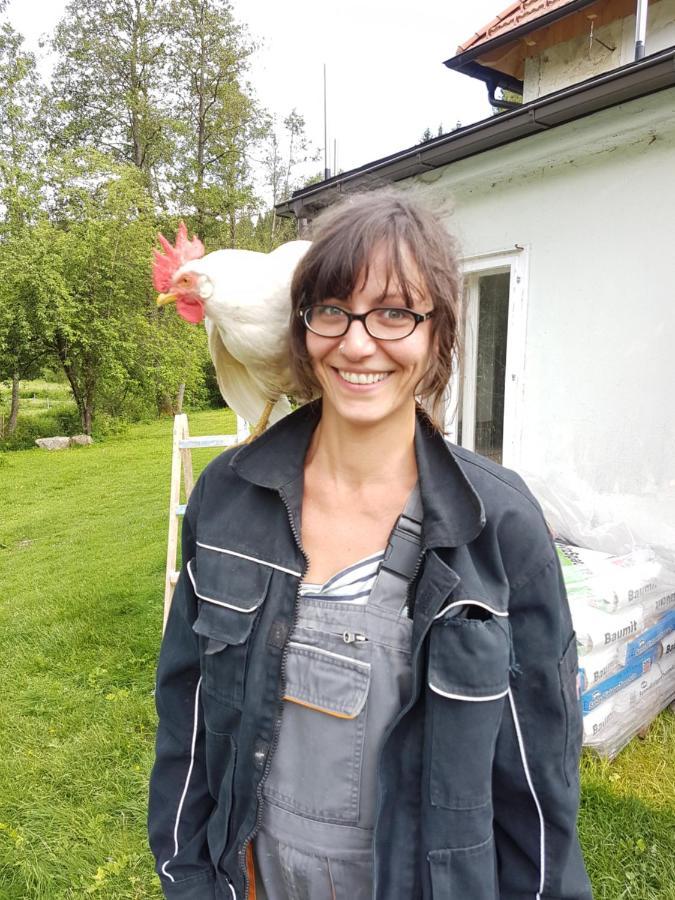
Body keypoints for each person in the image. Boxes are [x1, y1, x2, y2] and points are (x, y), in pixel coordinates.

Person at [148, 193, 593, 900]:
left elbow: (537, 785)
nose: (357, 343)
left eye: (394, 313)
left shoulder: (498, 525)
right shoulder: (225, 502)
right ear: (303, 326)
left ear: (437, 334)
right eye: (333, 310)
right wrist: (189, 878)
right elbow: (189, 727)